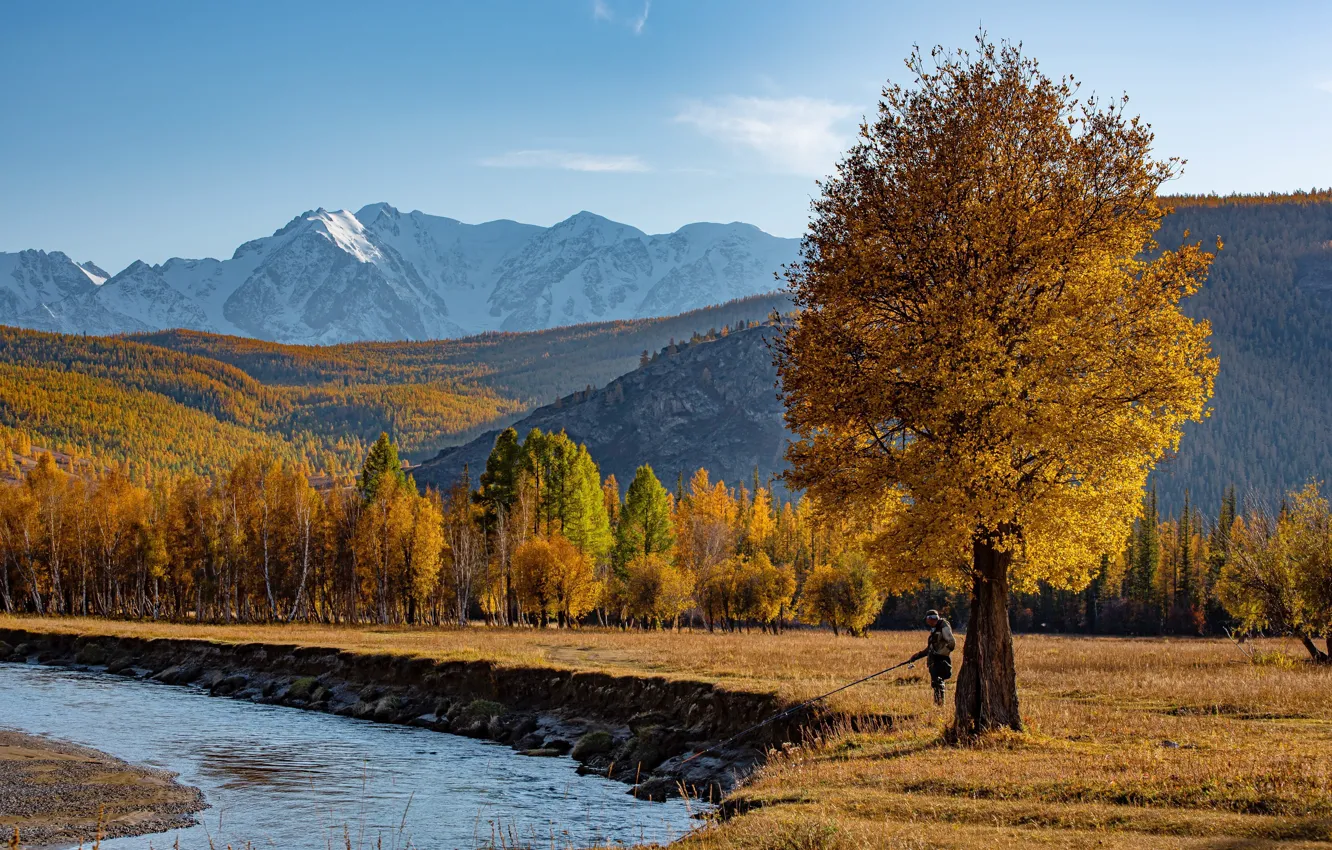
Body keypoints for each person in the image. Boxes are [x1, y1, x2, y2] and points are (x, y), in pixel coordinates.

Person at [908, 609, 956, 705]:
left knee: (939, 682)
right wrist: (917, 656)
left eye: (927, 619)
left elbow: (951, 643)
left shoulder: (943, 626)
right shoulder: (935, 629)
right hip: (934, 661)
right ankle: (937, 703)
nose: (926, 621)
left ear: (930, 618)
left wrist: (940, 653)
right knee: (935, 683)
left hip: (941, 660)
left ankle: (940, 704)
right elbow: (930, 648)